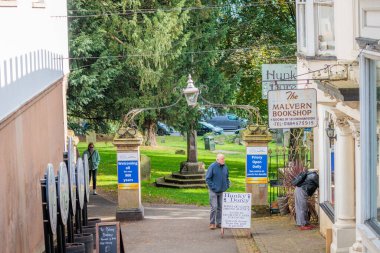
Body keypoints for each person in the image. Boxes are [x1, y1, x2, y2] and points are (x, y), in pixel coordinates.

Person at [205, 153, 230, 230]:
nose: (224, 160)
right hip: (213, 191)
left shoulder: (225, 167)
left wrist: (227, 185)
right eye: (222, 159)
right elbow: (208, 179)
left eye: (224, 158)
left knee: (221, 207)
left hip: (222, 190)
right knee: (214, 207)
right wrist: (214, 187)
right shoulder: (212, 166)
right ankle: (212, 223)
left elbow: (227, 177)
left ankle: (219, 223)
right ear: (217, 159)